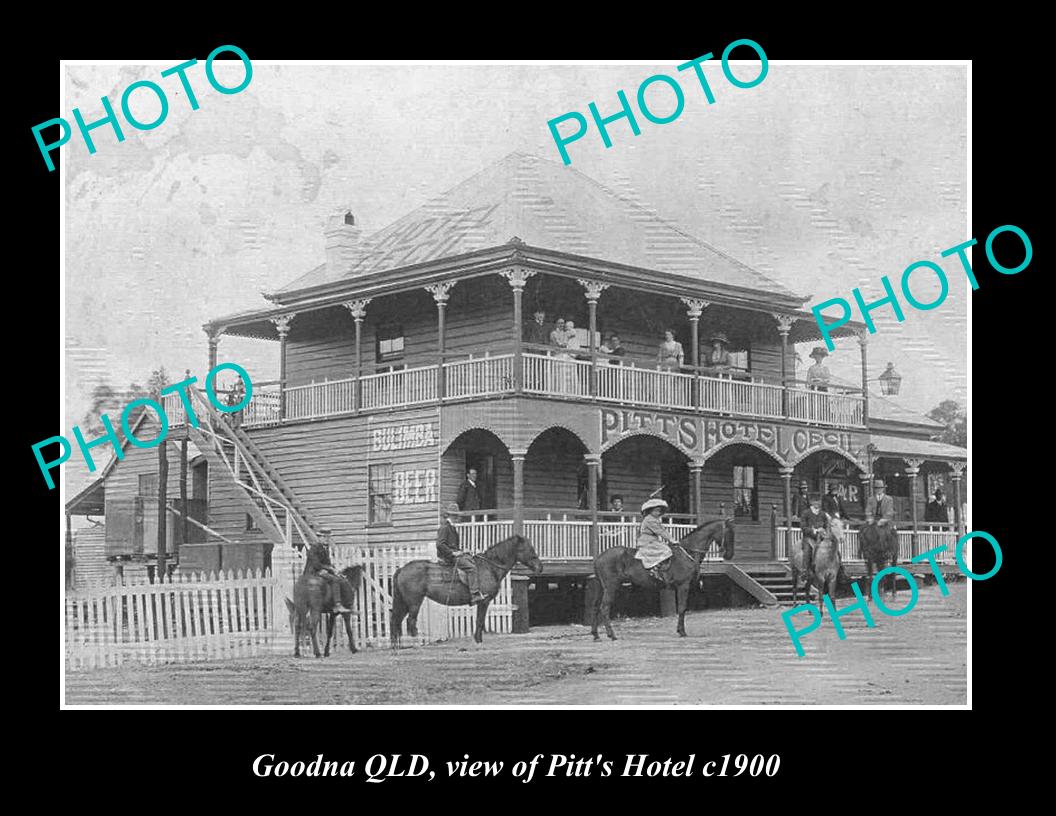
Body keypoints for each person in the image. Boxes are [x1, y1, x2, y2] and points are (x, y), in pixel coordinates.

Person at [435, 502, 484, 603]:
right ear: (450, 515)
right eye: (454, 515)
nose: (456, 517)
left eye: (456, 515)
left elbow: (453, 545)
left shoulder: (452, 527)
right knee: (471, 568)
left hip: (454, 555)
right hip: (448, 557)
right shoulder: (445, 527)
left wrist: (462, 551)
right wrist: (453, 553)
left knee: (472, 559)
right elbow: (440, 544)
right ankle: (474, 594)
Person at [304, 529, 351, 613]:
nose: (326, 539)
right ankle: (337, 605)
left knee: (340, 579)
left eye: (328, 537)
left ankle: (336, 603)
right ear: (319, 538)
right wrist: (328, 569)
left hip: (321, 571)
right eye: (324, 537)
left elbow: (328, 563)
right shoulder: (314, 548)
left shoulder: (325, 548)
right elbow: (316, 564)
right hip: (313, 572)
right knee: (335, 580)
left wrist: (335, 571)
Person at [634, 498, 679, 582]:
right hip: (647, 542)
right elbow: (660, 531)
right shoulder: (649, 519)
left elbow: (662, 530)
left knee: (665, 548)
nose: (658, 513)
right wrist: (671, 540)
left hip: (653, 540)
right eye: (656, 511)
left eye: (659, 511)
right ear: (650, 511)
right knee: (666, 550)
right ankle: (655, 569)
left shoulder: (654, 519)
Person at [800, 494, 828, 574]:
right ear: (811, 503)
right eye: (815, 501)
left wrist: (824, 531)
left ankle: (839, 570)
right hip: (809, 538)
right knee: (807, 552)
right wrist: (814, 531)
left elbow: (827, 525)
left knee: (834, 550)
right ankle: (804, 572)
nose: (817, 503)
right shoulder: (806, 513)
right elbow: (803, 527)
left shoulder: (823, 514)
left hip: (822, 538)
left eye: (819, 501)